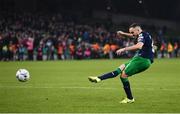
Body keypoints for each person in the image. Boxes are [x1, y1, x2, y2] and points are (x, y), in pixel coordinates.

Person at [88, 23, 154, 104]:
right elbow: (133, 36)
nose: (132, 34)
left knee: (123, 75)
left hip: (142, 59)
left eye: (132, 32)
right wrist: (123, 34)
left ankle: (130, 98)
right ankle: (99, 78)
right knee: (120, 69)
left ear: (137, 29)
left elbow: (139, 46)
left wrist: (124, 49)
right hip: (141, 59)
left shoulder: (142, 35)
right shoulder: (144, 34)